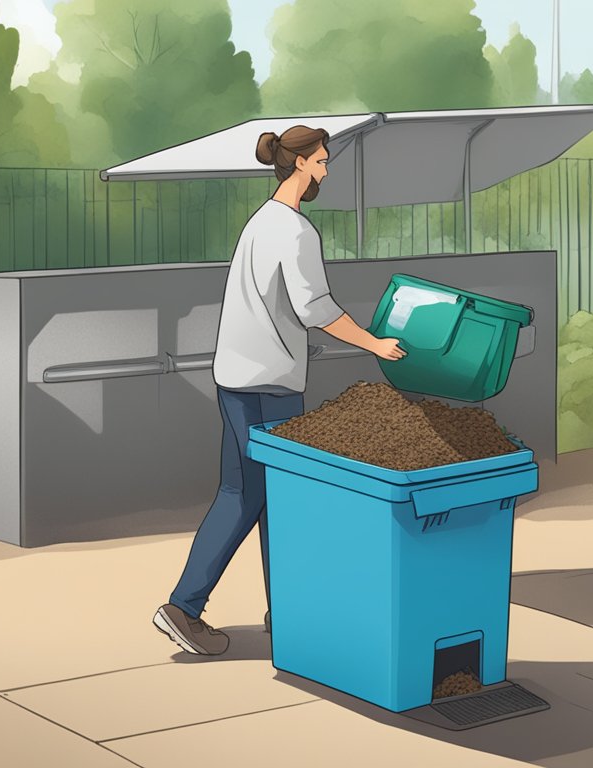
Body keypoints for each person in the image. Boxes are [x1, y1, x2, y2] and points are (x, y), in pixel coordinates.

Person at [153, 125, 406, 655]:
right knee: (250, 496)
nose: (326, 170)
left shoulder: (259, 223)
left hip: (238, 379)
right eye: (321, 161)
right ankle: (184, 606)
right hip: (269, 386)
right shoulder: (294, 231)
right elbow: (315, 309)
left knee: (265, 496)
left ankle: (286, 607)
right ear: (299, 165)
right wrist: (373, 344)